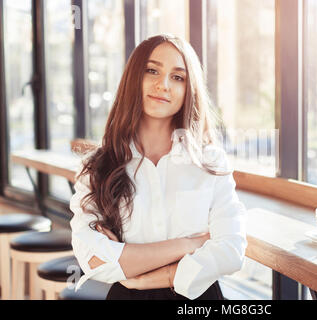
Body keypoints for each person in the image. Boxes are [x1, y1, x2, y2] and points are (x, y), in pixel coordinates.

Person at [69, 34, 248, 300]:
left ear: (189, 89)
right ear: (133, 79)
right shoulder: (96, 166)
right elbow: (93, 260)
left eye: (178, 77)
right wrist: (192, 243)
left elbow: (232, 250)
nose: (163, 84)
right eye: (151, 71)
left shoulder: (210, 162)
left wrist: (150, 274)